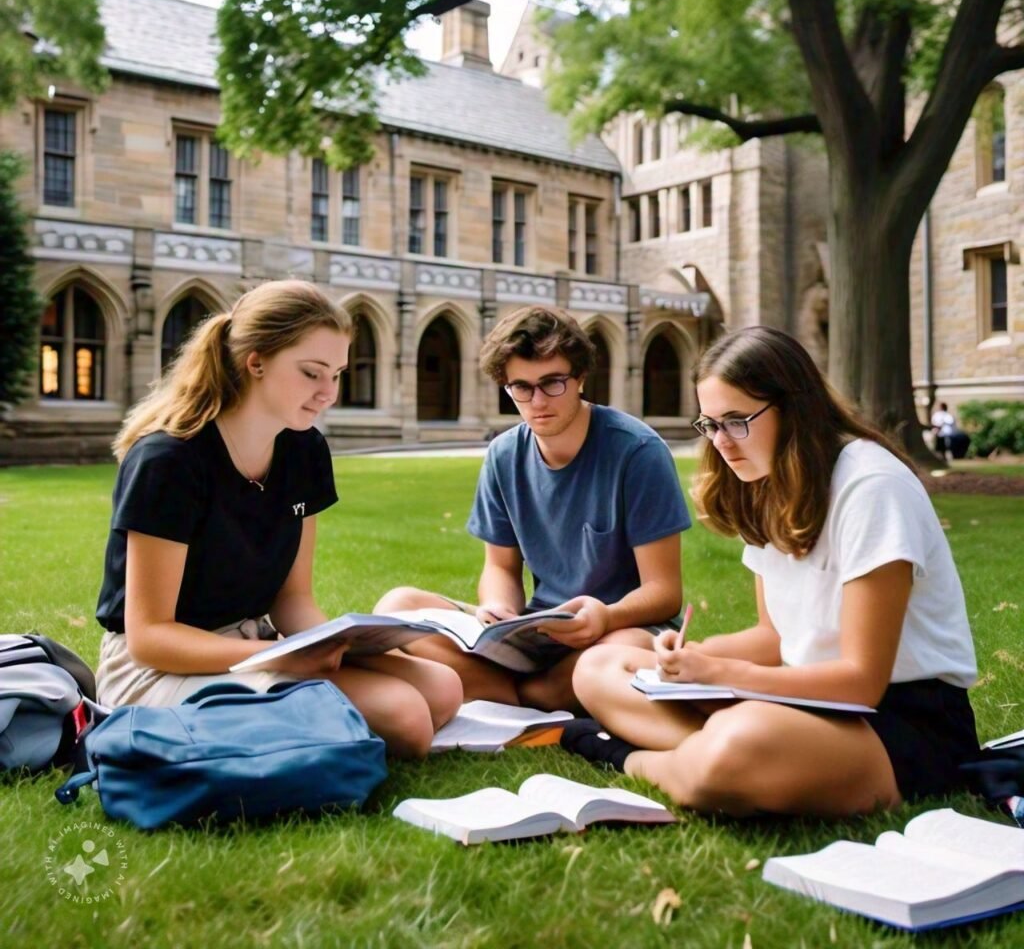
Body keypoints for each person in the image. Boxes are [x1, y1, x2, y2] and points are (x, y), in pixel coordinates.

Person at [563, 326, 979, 816]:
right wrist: (688, 660)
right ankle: (715, 752)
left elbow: (863, 681)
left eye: (737, 421)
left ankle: (632, 757)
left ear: (794, 408)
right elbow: (773, 637)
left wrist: (720, 673)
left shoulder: (871, 486)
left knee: (737, 747)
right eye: (709, 424)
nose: (721, 442)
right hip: (803, 703)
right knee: (599, 667)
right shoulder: (766, 482)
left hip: (897, 719)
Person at [94, 280, 461, 758]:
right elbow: (150, 637)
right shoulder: (169, 460)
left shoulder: (303, 449)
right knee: (405, 719)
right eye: (312, 373)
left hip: (258, 642)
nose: (328, 393)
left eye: (338, 374)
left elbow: (293, 599)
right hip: (160, 667)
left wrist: (331, 645)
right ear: (256, 362)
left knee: (442, 688)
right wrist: (279, 657)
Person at [373, 306, 691, 711]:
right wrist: (499, 608)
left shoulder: (638, 452)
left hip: (618, 628)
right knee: (398, 607)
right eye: (521, 388)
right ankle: (533, 693)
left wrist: (606, 618)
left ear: (580, 377)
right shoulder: (504, 454)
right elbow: (501, 568)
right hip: (539, 630)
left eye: (552, 383)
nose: (537, 401)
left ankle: (509, 693)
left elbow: (664, 593)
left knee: (617, 653)